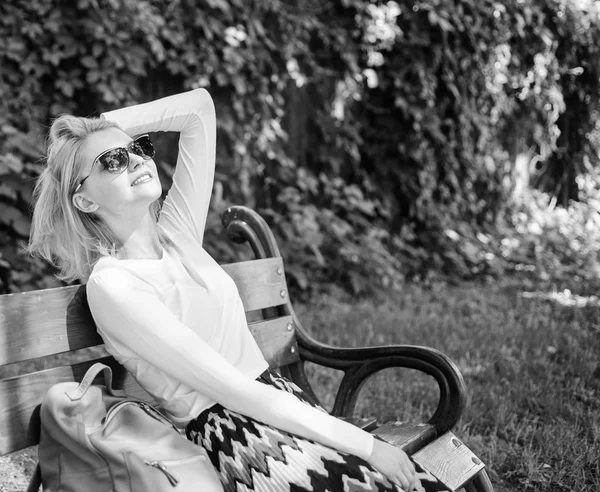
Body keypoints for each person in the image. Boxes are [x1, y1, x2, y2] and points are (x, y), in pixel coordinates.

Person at [28, 89, 451, 492]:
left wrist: (101, 128)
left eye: (138, 148)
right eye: (114, 160)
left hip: (280, 405)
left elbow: (198, 110)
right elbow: (232, 389)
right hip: (238, 439)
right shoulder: (115, 285)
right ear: (83, 201)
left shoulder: (177, 236)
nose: (137, 160)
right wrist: (369, 446)